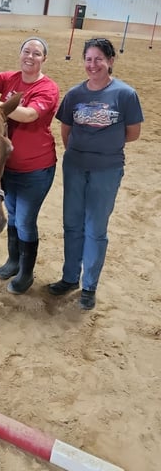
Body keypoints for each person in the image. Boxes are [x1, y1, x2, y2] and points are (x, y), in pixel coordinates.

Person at [48, 37, 144, 310]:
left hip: (107, 169)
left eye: (98, 59)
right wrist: (81, 153)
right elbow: (66, 131)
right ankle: (69, 277)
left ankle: (89, 285)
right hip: (75, 166)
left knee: (95, 228)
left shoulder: (125, 95)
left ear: (110, 61)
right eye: (88, 59)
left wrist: (103, 148)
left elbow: (133, 133)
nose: (93, 65)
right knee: (72, 224)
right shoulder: (75, 94)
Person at [0, 37, 60, 294]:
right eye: (26, 51)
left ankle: (26, 273)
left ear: (44, 59)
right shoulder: (11, 78)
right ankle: (13, 261)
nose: (30, 56)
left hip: (36, 169)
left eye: (37, 53)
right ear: (20, 53)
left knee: (26, 220)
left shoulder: (48, 88)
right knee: (14, 215)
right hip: (9, 168)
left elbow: (27, 115)